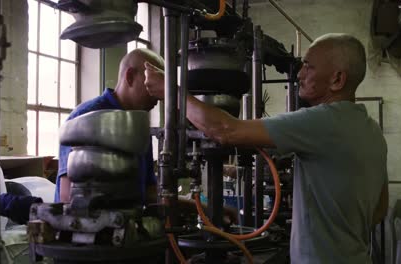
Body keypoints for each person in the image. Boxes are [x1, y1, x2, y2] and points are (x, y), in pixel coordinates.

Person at [145, 33, 388, 263]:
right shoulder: (373, 132)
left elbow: (226, 130)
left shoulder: (323, 121)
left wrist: (170, 91)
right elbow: (379, 209)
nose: (300, 74)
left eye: (308, 66)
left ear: (337, 79)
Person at [55, 48, 165, 204]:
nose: (158, 94)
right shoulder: (84, 118)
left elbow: (148, 191)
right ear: (130, 76)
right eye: (151, 82)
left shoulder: (139, 126)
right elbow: (68, 195)